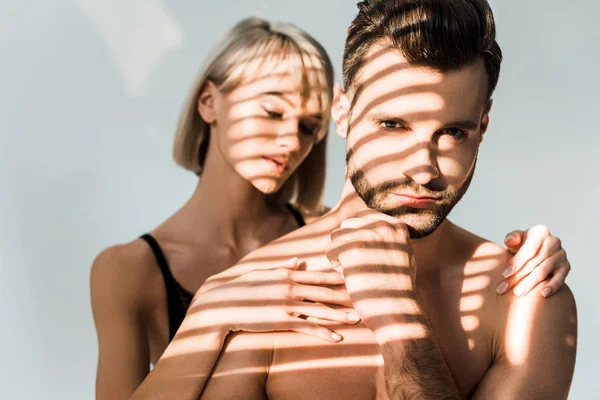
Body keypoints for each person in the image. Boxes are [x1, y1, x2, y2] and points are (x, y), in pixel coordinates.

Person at [91, 14, 572, 400]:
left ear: (483, 126)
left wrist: (401, 319)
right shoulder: (261, 289)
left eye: (452, 132)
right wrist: (212, 308)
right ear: (344, 112)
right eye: (392, 124)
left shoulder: (526, 298)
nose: (423, 169)